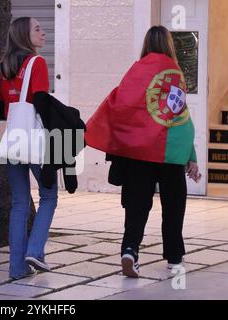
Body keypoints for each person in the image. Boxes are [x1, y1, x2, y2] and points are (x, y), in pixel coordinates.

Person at [85, 26, 201, 278]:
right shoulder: (173, 71)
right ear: (169, 44)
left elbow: (122, 104)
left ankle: (130, 250)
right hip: (170, 151)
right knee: (173, 203)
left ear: (146, 43)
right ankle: (174, 256)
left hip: (139, 150)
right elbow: (179, 115)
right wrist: (191, 156)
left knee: (136, 205)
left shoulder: (137, 70)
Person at [0, 17, 58, 280]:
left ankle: (17, 268)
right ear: (24, 36)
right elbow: (41, 102)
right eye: (37, 29)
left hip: (12, 139)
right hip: (35, 139)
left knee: (19, 203)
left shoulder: (4, 68)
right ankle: (35, 250)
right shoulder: (36, 62)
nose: (43, 32)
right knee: (49, 196)